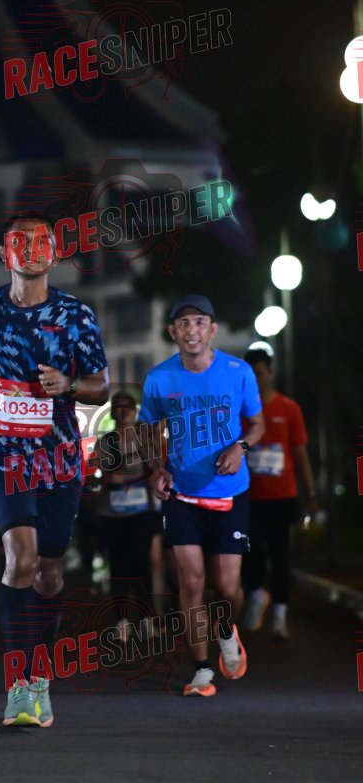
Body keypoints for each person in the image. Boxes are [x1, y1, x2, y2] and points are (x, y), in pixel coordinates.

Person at [0, 214, 109, 727]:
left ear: (55, 253)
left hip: (58, 457)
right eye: (21, 242)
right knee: (20, 558)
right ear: (6, 255)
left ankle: (40, 673)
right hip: (3, 453)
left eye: (42, 241)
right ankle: (19, 683)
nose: (33, 249)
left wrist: (70, 384)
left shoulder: (75, 315)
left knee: (49, 571)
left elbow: (101, 387)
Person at [138, 294, 265, 698]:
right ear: (172, 332)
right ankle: (202, 670)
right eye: (183, 323)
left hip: (230, 493)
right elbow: (146, 432)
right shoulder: (159, 378)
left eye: (198, 322)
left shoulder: (238, 371)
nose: (191, 330)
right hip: (182, 494)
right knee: (190, 582)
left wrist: (239, 448)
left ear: (212, 330)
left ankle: (226, 629)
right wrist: (156, 469)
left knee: (226, 588)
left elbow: (257, 424)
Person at [242, 347, 318, 639]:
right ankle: (256, 594)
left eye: (261, 373)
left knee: (281, 557)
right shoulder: (240, 411)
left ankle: (280, 618)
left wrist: (310, 491)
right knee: (251, 554)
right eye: (252, 375)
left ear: (270, 373)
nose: (257, 379)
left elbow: (299, 453)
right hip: (250, 498)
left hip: (283, 497)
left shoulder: (289, 410)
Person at [93, 391, 159, 638]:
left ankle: (146, 618)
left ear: (134, 412)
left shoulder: (144, 440)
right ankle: (122, 621)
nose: (123, 413)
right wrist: (120, 477)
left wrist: (125, 477)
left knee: (142, 564)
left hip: (141, 513)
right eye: (118, 408)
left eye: (128, 408)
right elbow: (101, 474)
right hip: (113, 515)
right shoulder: (106, 442)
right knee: (118, 566)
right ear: (112, 413)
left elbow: (155, 471)